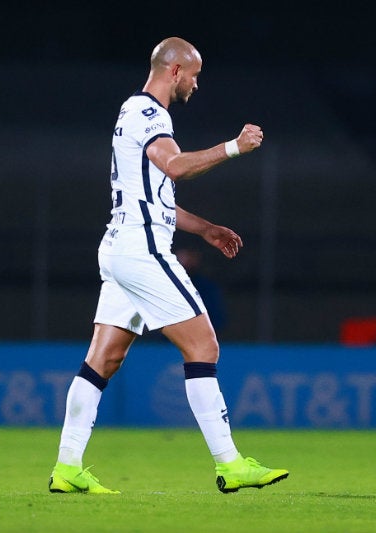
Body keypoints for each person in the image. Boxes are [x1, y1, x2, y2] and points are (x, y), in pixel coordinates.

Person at [49, 36, 288, 494]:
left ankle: (67, 468)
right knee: (204, 346)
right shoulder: (150, 114)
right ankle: (230, 463)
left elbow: (156, 199)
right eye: (194, 75)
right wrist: (234, 147)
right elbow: (174, 166)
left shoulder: (131, 114)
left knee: (103, 359)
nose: (197, 84)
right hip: (142, 251)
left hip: (120, 246)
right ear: (175, 71)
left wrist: (204, 229)